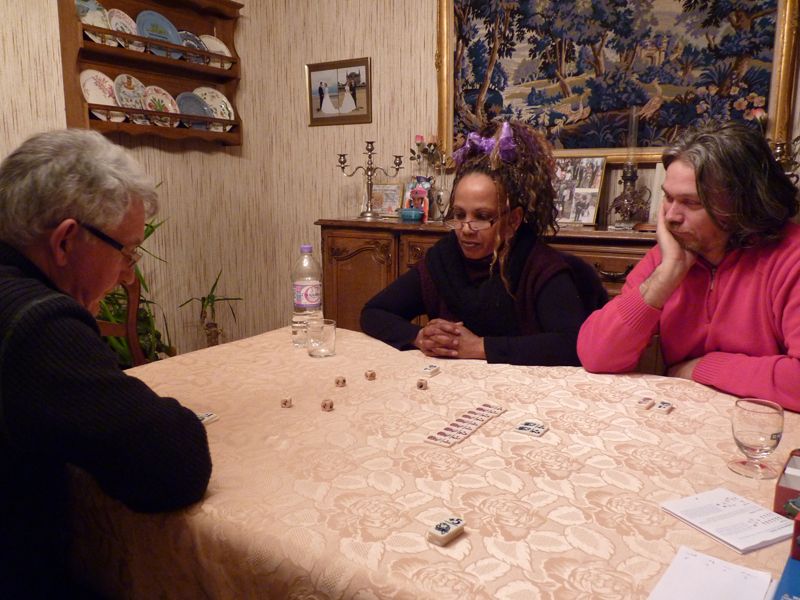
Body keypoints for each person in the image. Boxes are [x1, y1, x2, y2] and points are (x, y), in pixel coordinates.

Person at [0, 129, 213, 596]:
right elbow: (174, 465)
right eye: (126, 250)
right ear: (65, 242)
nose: (127, 273)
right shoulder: (38, 323)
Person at [577, 121, 800, 411]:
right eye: (668, 198)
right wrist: (665, 276)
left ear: (743, 205)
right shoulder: (671, 255)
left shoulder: (790, 258)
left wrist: (703, 368)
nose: (671, 216)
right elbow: (595, 356)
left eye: (690, 203)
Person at [360, 120, 606, 365]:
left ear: (513, 220)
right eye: (459, 215)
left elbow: (573, 345)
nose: (466, 229)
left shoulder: (540, 267)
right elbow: (373, 313)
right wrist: (419, 336)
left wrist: (480, 347)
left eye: (482, 217)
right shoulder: (444, 259)